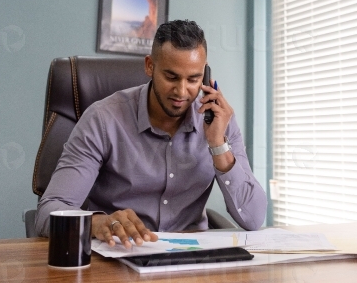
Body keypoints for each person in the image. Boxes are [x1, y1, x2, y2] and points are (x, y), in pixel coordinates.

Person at [36, 20, 267, 247]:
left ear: (205, 76)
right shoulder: (102, 120)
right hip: (120, 254)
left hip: (189, 261)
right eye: (171, 77)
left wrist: (218, 145)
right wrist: (98, 223)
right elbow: (49, 213)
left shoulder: (219, 120)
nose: (182, 91)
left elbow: (254, 218)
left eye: (193, 79)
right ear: (149, 66)